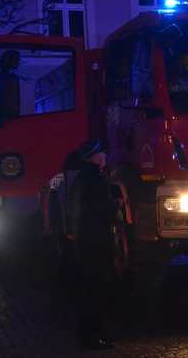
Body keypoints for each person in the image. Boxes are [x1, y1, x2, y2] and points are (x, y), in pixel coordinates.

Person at [68, 139, 115, 350]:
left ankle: (87, 335)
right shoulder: (96, 179)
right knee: (97, 290)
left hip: (84, 241)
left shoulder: (79, 179)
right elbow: (103, 210)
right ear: (94, 158)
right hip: (96, 242)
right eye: (101, 154)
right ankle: (95, 337)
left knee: (86, 289)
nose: (104, 156)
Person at [0, 50, 21, 120]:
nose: (18, 63)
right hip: (9, 119)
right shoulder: (12, 78)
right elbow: (13, 103)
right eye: (17, 60)